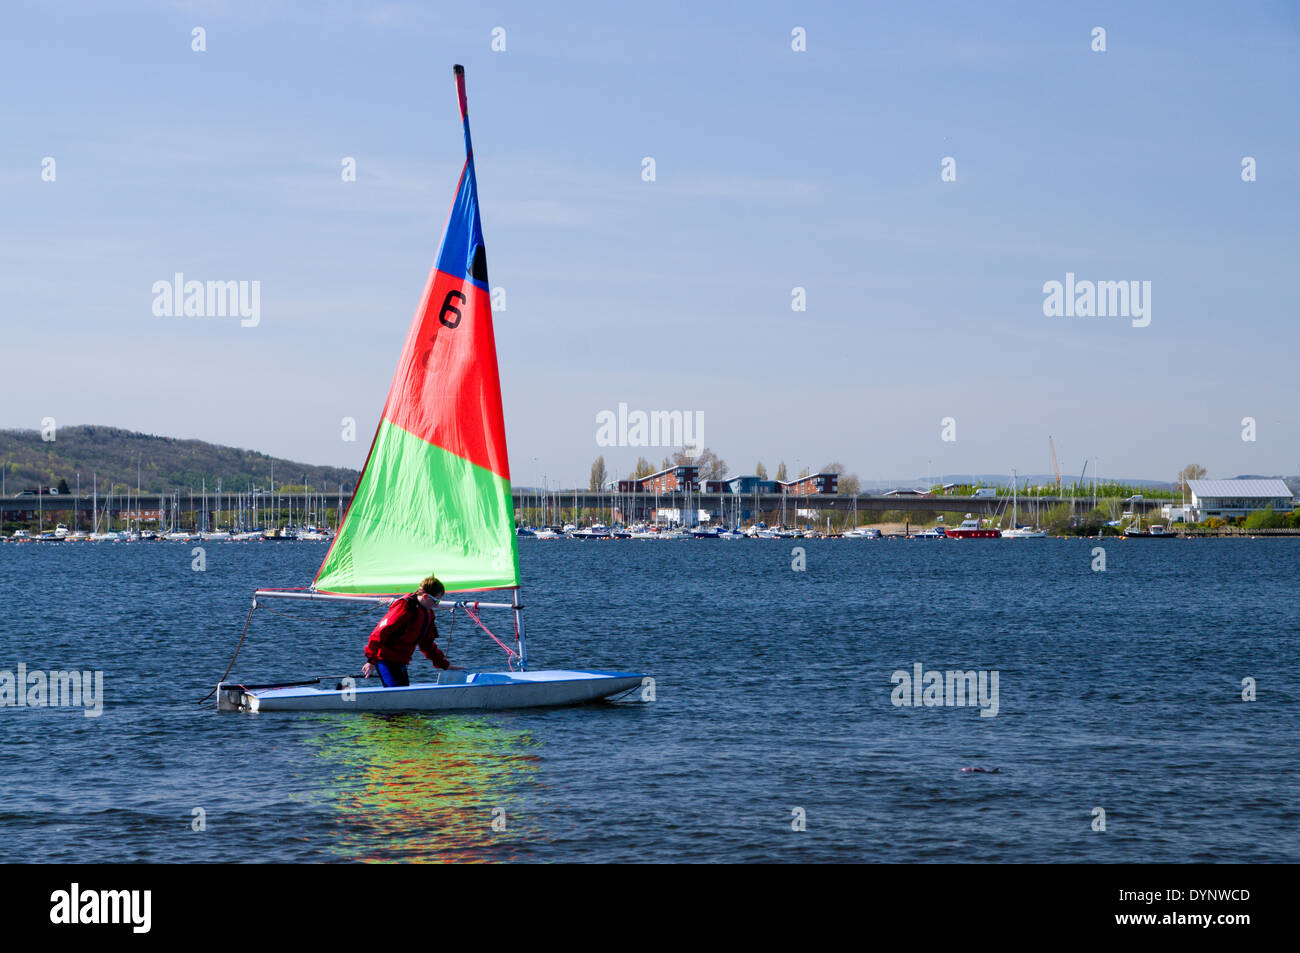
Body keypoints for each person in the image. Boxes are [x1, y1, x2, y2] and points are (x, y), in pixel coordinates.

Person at [361, 574, 462, 686]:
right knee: (398, 696)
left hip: (401, 661)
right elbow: (379, 633)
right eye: (436, 601)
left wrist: (445, 665)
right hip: (385, 659)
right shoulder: (404, 607)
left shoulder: (428, 614)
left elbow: (427, 644)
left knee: (403, 692)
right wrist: (371, 661)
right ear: (424, 596)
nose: (436, 605)